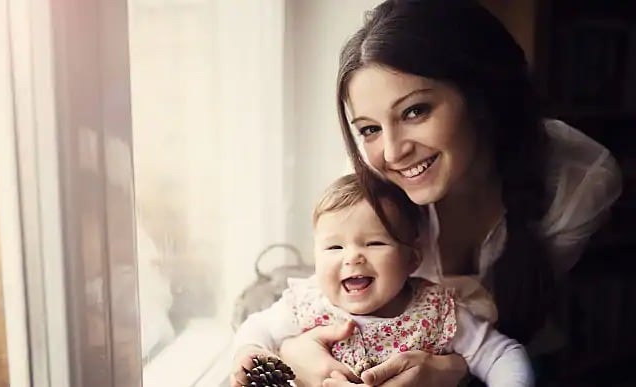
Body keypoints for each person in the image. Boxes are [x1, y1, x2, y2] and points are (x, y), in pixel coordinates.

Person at [278, 1, 623, 386]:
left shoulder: (579, 180)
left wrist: (453, 370)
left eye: (414, 111)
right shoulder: (372, 183)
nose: (393, 153)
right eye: (370, 129)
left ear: (482, 96)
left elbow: (506, 339)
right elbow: (332, 301)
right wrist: (295, 351)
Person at [231, 174, 533, 387]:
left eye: (374, 244)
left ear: (412, 259)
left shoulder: (436, 312)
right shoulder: (307, 303)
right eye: (334, 247)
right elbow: (256, 328)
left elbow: (503, 354)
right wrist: (249, 354)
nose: (352, 258)